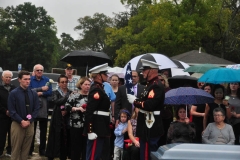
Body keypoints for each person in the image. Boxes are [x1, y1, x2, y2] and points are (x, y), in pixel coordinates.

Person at [127, 59, 165, 160]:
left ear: (151, 70)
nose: (142, 72)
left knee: (148, 153)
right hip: (146, 124)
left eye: (145, 70)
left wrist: (135, 101)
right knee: (144, 152)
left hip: (150, 125)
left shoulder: (155, 86)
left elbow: (149, 105)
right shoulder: (150, 85)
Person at [8, 70, 39, 160]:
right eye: (25, 79)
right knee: (16, 148)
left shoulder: (33, 93)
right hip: (18, 123)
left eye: (29, 79)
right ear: (19, 80)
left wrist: (30, 120)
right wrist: (21, 121)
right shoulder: (13, 93)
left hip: (30, 123)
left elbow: (36, 108)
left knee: (26, 148)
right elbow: (12, 110)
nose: (27, 81)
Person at [84, 63, 111, 160]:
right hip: (97, 126)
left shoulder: (100, 88)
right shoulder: (96, 90)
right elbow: (90, 111)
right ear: (99, 76)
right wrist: (90, 130)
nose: (107, 76)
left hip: (101, 125)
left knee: (97, 153)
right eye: (105, 74)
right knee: (93, 155)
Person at [45, 74, 72, 160]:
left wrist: (67, 110)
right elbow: (57, 101)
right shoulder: (55, 92)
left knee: (65, 137)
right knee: (54, 136)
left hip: (67, 117)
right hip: (57, 117)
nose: (64, 84)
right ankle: (51, 155)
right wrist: (67, 96)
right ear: (59, 83)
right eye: (62, 82)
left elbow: (73, 103)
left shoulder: (70, 91)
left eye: (66, 82)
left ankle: (63, 155)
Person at [65, 77, 91, 160]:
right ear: (80, 85)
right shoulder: (74, 95)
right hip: (76, 124)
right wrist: (77, 108)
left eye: (89, 84)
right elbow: (67, 106)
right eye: (85, 84)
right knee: (76, 146)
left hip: (88, 124)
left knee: (86, 146)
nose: (87, 86)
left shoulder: (91, 96)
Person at [29, 64, 52, 156]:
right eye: (37, 70)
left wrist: (41, 93)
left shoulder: (47, 80)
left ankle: (42, 150)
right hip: (32, 108)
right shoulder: (30, 80)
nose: (39, 72)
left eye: (41, 70)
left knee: (43, 131)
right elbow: (29, 91)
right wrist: (41, 89)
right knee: (31, 131)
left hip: (43, 108)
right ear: (34, 71)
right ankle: (29, 149)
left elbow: (50, 92)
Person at [0, 70, 16, 157]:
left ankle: (9, 151)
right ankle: (0, 151)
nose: (8, 79)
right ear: (2, 78)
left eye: (10, 77)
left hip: (12, 116)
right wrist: (5, 111)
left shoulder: (14, 88)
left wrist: (12, 111)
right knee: (1, 134)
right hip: (2, 115)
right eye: (6, 77)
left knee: (12, 134)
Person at [157, 73, 172, 146]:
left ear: (165, 81)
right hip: (156, 116)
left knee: (166, 134)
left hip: (166, 116)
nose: (160, 81)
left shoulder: (168, 90)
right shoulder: (153, 90)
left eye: (161, 80)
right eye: (158, 80)